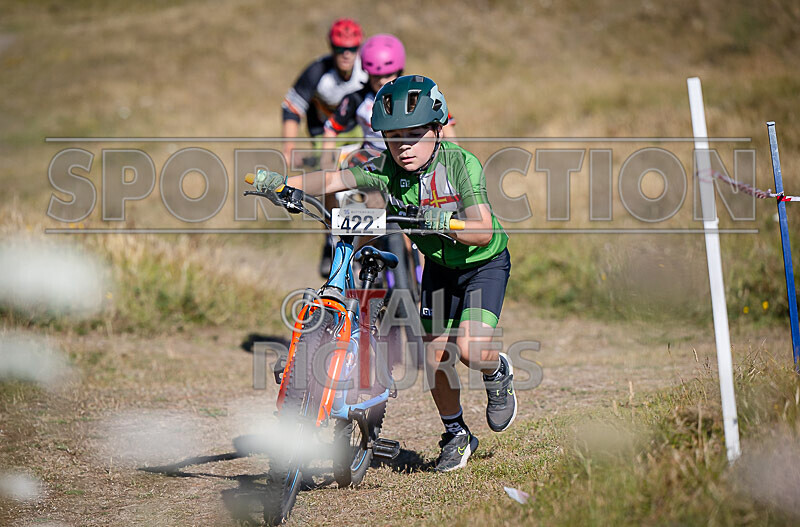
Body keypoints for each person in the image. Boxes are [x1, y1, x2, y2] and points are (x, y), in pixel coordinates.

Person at [254, 75, 516, 473]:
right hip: (440, 270)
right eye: (394, 137)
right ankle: (457, 434)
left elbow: (482, 231)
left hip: (482, 265)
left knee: (469, 349)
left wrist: (444, 220)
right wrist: (283, 184)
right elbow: (333, 179)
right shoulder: (386, 168)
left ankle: (498, 371)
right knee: (435, 357)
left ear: (438, 128)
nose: (404, 146)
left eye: (415, 135)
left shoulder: (461, 165)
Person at [281, 18, 368, 276]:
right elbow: (292, 107)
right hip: (324, 133)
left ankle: (370, 237)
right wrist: (288, 148)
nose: (346, 55)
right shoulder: (318, 72)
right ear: (332, 48)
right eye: (340, 49)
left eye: (352, 49)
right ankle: (331, 237)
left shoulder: (368, 70)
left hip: (356, 129)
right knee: (328, 175)